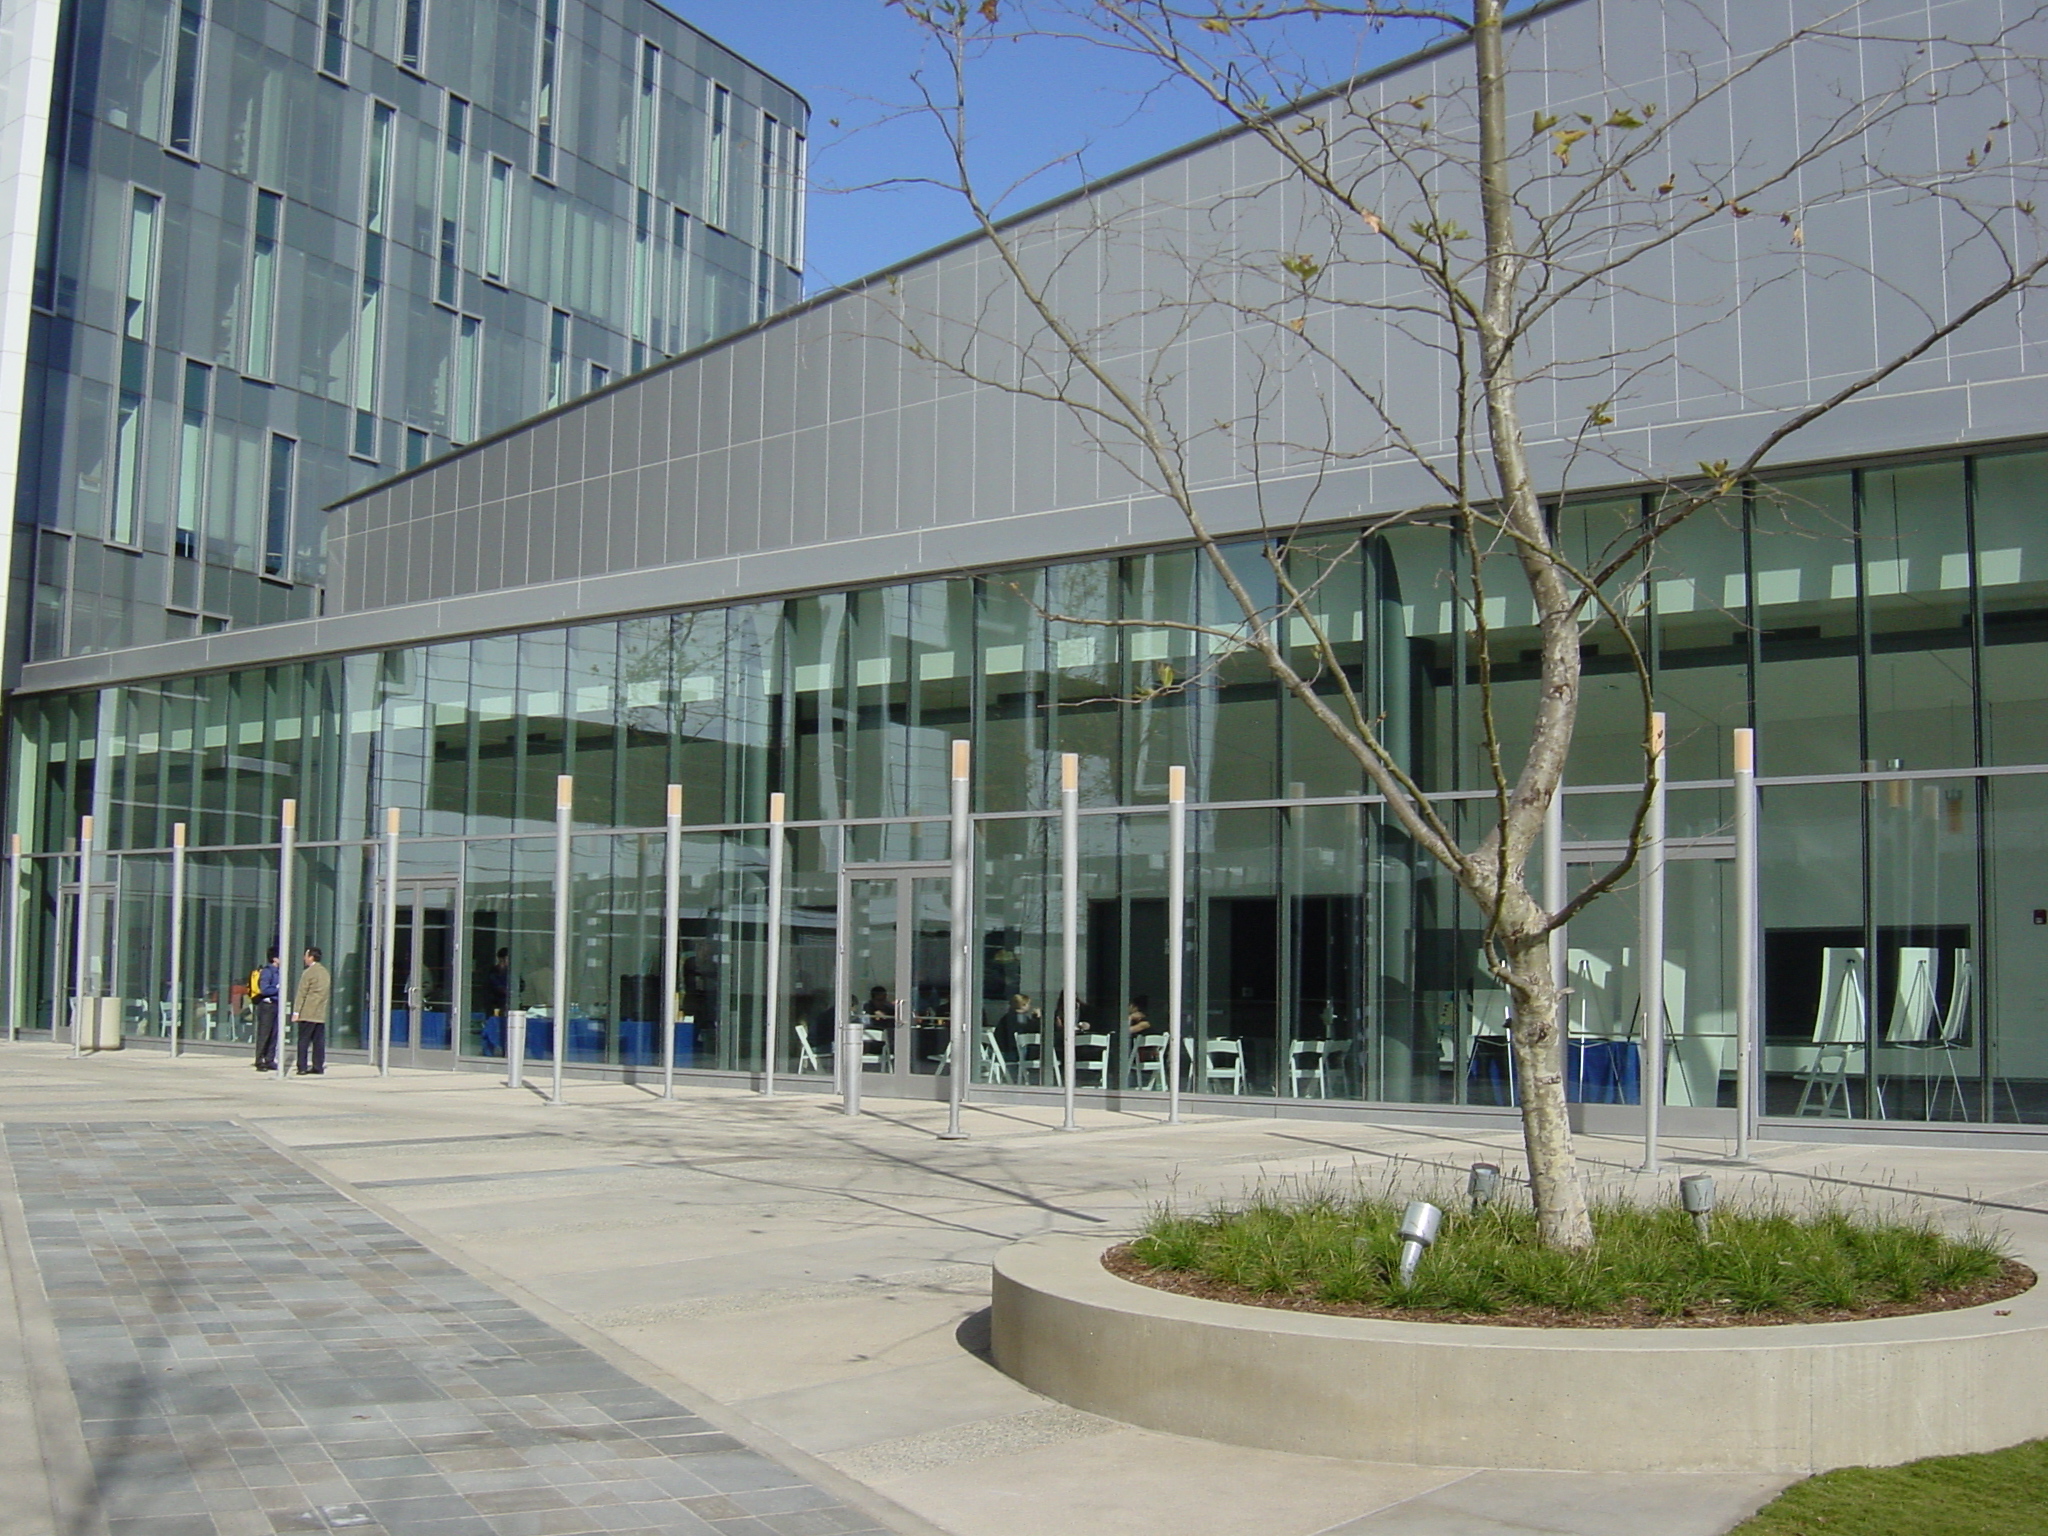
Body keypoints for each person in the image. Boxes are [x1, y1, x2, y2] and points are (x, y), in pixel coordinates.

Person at [293, 947, 332, 1075]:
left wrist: (296, 1011)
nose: (304, 958)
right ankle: (318, 1066)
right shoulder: (325, 973)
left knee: (303, 1041)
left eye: (306, 955)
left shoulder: (308, 973)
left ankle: (302, 1067)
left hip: (307, 1012)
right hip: (320, 1012)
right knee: (318, 1041)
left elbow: (302, 993)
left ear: (311, 957)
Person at [251, 949, 281, 1070]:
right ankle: (259, 1060)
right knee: (264, 1033)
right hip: (267, 1006)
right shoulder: (267, 972)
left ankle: (270, 1059)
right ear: (275, 959)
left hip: (276, 1005)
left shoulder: (279, 972)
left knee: (274, 1034)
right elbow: (264, 989)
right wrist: (278, 988)